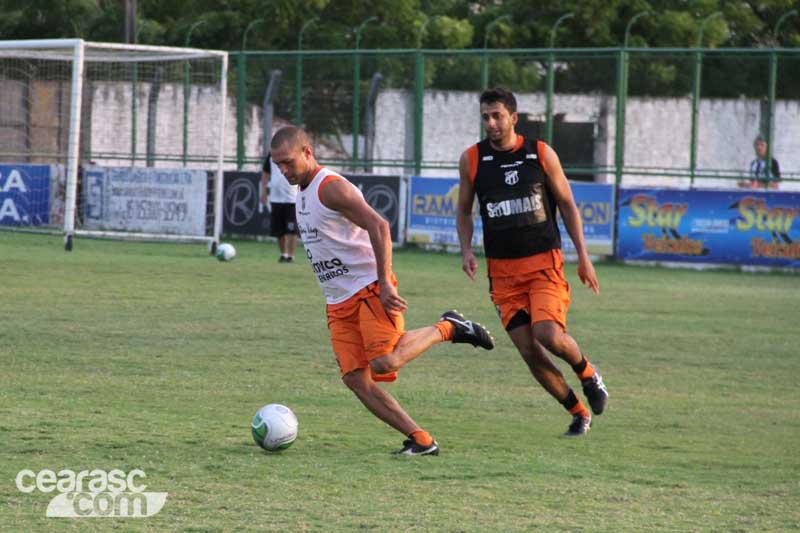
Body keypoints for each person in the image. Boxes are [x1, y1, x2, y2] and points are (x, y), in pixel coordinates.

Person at [270, 126, 495, 456]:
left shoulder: (329, 188)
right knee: (355, 378)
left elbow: (379, 225)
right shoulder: (301, 191)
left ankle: (448, 328)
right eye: (278, 165)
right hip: (338, 300)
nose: (283, 171)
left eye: (288, 162)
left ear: (308, 152)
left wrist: (385, 281)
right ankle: (420, 439)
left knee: (384, 362)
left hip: (369, 288)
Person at [456, 87, 608, 437]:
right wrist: (466, 249)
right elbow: (464, 210)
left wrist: (583, 256)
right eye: (485, 117)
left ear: (513, 117)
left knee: (547, 334)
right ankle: (578, 412)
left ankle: (588, 373)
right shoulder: (473, 160)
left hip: (544, 265)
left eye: (497, 116)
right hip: (503, 272)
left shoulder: (540, 153)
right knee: (529, 352)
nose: (491, 123)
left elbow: (568, 205)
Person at [261, 151, 299, 262]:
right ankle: (284, 254)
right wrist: (263, 191)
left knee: (292, 229)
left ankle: (291, 256)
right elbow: (265, 173)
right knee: (279, 230)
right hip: (275, 197)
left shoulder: (294, 153)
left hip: (292, 198)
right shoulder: (271, 154)